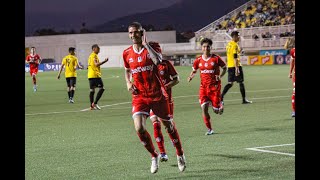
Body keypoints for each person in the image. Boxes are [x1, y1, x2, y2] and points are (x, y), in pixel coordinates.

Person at [123, 22, 186, 174]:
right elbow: (127, 70)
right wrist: (128, 82)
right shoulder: (126, 53)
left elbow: (158, 61)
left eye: (136, 32)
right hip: (140, 96)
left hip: (157, 95)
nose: (133, 35)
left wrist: (146, 45)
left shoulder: (154, 46)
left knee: (169, 126)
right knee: (139, 128)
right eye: (131, 33)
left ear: (142, 33)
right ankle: (154, 155)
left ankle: (180, 153)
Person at [187, 38, 227, 135]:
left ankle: (220, 103)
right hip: (203, 88)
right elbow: (194, 70)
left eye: (208, 47)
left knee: (217, 111)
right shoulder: (198, 60)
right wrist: (191, 76)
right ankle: (210, 129)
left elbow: (225, 68)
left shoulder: (216, 58)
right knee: (204, 108)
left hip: (215, 88)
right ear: (202, 48)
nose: (206, 48)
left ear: (210, 47)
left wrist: (220, 76)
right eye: (204, 47)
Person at [149, 59, 180, 162]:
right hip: (153, 100)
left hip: (166, 100)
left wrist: (164, 87)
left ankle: (175, 143)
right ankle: (162, 153)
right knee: (156, 124)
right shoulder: (147, 65)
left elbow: (176, 79)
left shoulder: (166, 64)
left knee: (169, 126)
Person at [221, 31, 252, 104]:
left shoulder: (228, 45)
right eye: (238, 36)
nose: (239, 37)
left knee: (230, 83)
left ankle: (221, 98)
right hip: (236, 66)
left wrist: (240, 51)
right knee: (241, 82)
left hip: (230, 66)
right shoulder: (235, 45)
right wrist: (237, 68)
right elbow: (235, 57)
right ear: (234, 36)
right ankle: (244, 100)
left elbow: (232, 54)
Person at [87, 44, 109, 110]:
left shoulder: (90, 56)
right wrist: (105, 61)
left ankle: (91, 106)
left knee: (92, 90)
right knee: (102, 88)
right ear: (94, 49)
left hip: (90, 75)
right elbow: (96, 64)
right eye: (97, 48)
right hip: (95, 75)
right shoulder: (94, 55)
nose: (99, 49)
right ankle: (95, 103)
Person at [285, 37, 295, 117]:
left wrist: (290, 73)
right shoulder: (293, 51)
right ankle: (294, 111)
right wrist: (290, 73)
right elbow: (292, 62)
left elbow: (292, 62)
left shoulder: (292, 51)